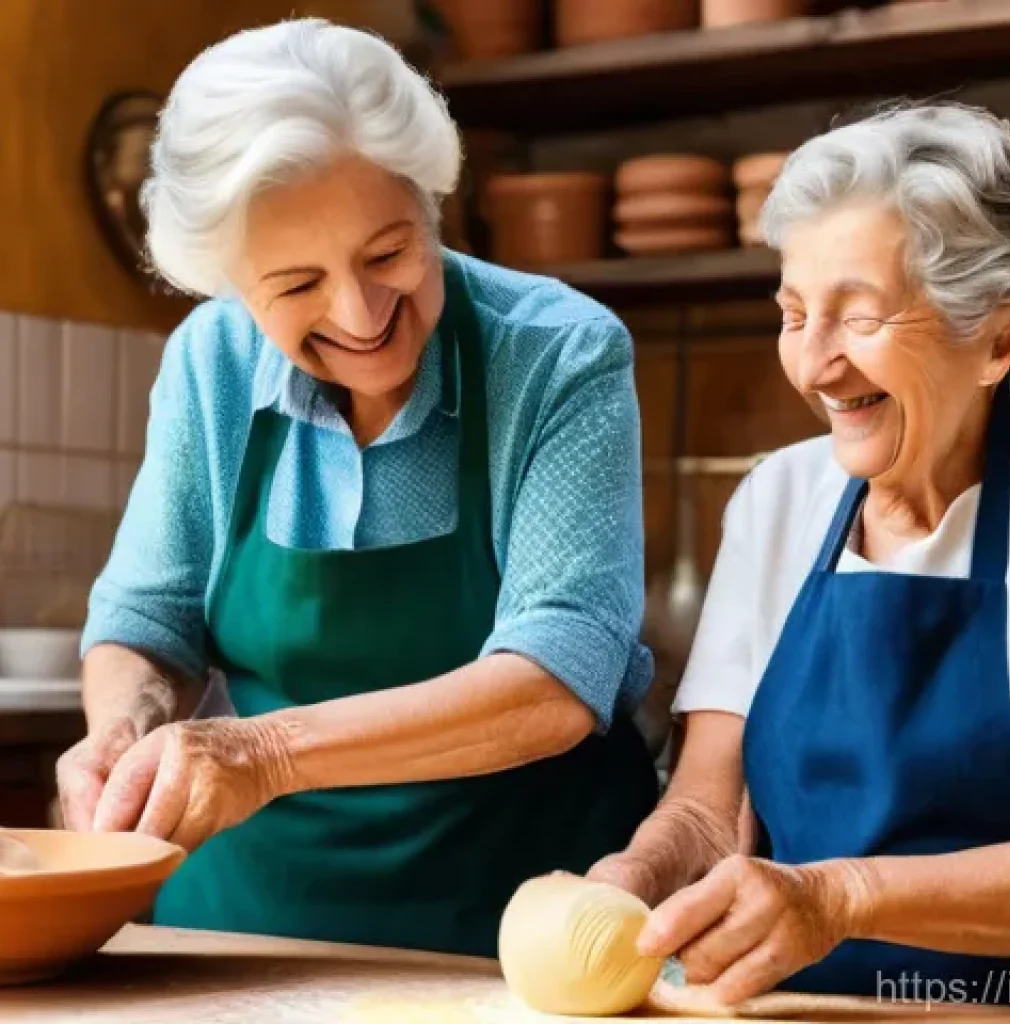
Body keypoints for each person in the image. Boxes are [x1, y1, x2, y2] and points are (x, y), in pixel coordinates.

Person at [57, 19, 658, 957]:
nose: (362, 315)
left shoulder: (558, 353)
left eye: (387, 254)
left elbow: (556, 680)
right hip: (244, 926)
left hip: (522, 927)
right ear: (232, 283)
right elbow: (147, 618)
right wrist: (122, 732)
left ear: (432, 205)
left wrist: (263, 754)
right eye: (296, 284)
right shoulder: (208, 361)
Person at [590, 102, 1010, 1005]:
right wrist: (627, 885)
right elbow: (710, 811)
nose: (815, 365)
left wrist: (840, 897)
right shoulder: (779, 501)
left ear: (998, 339)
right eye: (794, 315)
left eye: (858, 317)